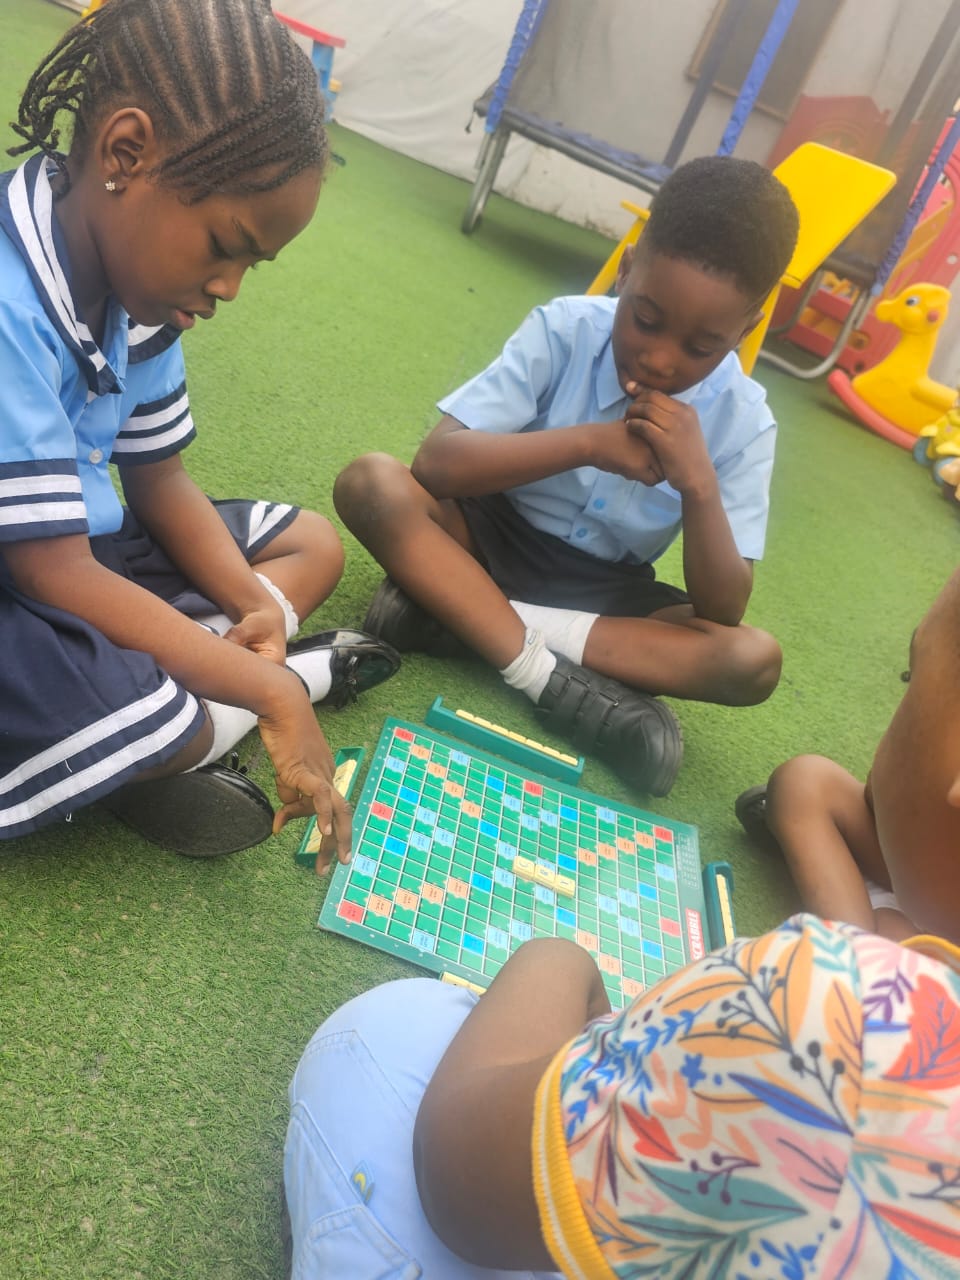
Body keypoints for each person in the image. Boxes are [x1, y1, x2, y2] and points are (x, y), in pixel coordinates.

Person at [0, 0, 399, 861]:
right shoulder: (6, 293)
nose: (229, 288)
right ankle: (223, 711)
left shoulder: (143, 297)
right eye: (225, 244)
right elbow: (46, 568)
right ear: (125, 152)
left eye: (251, 264)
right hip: (22, 579)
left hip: (80, 555)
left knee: (311, 547)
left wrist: (253, 604)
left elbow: (159, 480)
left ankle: (151, 734)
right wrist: (275, 690)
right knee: (158, 715)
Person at [333, 157, 800, 797]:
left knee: (752, 661)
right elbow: (436, 464)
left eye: (700, 347)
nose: (661, 359)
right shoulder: (564, 330)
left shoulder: (745, 420)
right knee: (371, 484)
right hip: (488, 540)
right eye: (647, 319)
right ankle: (543, 676)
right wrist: (588, 444)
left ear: (745, 328)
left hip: (608, 597)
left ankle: (454, 614)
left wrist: (698, 486)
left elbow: (723, 608)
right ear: (629, 269)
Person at [284, 913, 960, 1278]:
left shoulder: (850, 1004)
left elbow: (460, 1187)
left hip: (461, 1194)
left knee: (401, 1024)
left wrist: (562, 961)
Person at [736, 567, 960, 945]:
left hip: (936, 918)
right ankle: (862, 943)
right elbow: (874, 795)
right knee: (804, 782)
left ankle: (855, 960)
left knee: (891, 953)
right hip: (933, 877)